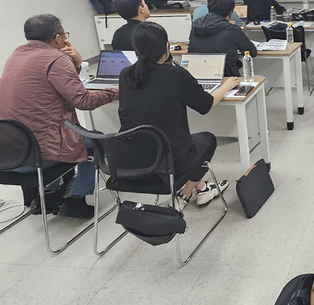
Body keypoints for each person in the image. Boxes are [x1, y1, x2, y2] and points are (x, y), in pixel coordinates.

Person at [0, 15, 118, 217]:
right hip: (38, 158)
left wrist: (76, 65)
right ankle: (77, 199)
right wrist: (117, 90)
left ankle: (48, 196)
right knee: (95, 141)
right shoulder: (56, 59)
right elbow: (84, 101)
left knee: (43, 131)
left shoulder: (15, 55)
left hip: (10, 156)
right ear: (58, 38)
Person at [119, 22, 239, 207]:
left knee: (181, 142)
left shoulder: (126, 74)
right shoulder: (176, 75)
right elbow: (205, 105)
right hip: (168, 161)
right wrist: (226, 86)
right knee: (208, 140)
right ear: (167, 47)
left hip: (131, 160)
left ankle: (202, 187)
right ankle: (186, 191)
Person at [188, 0, 257, 77]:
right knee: (263, 80)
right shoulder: (232, 30)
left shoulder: (195, 26)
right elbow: (252, 52)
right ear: (230, 13)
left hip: (198, 79)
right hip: (228, 81)